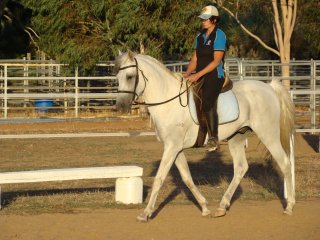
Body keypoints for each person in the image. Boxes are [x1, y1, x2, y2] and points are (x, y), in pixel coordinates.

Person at [184, 5, 226, 152]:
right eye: (202, 19)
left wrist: (197, 74)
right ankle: (198, 135)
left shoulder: (220, 35)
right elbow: (194, 59)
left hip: (215, 75)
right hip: (200, 74)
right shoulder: (199, 36)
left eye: (206, 19)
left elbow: (216, 62)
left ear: (214, 20)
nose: (203, 21)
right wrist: (188, 73)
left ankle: (213, 138)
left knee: (207, 103)